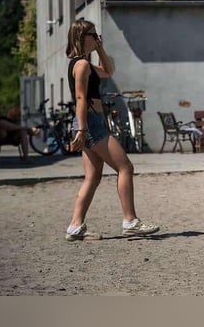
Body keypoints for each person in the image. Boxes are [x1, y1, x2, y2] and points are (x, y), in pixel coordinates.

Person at [64, 19, 159, 241]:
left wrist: (100, 48)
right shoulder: (81, 65)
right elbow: (80, 97)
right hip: (90, 121)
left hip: (91, 121)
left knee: (93, 176)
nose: (96, 37)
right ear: (81, 37)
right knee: (125, 166)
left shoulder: (86, 64)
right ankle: (130, 221)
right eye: (92, 35)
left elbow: (108, 71)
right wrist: (82, 128)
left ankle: (75, 227)